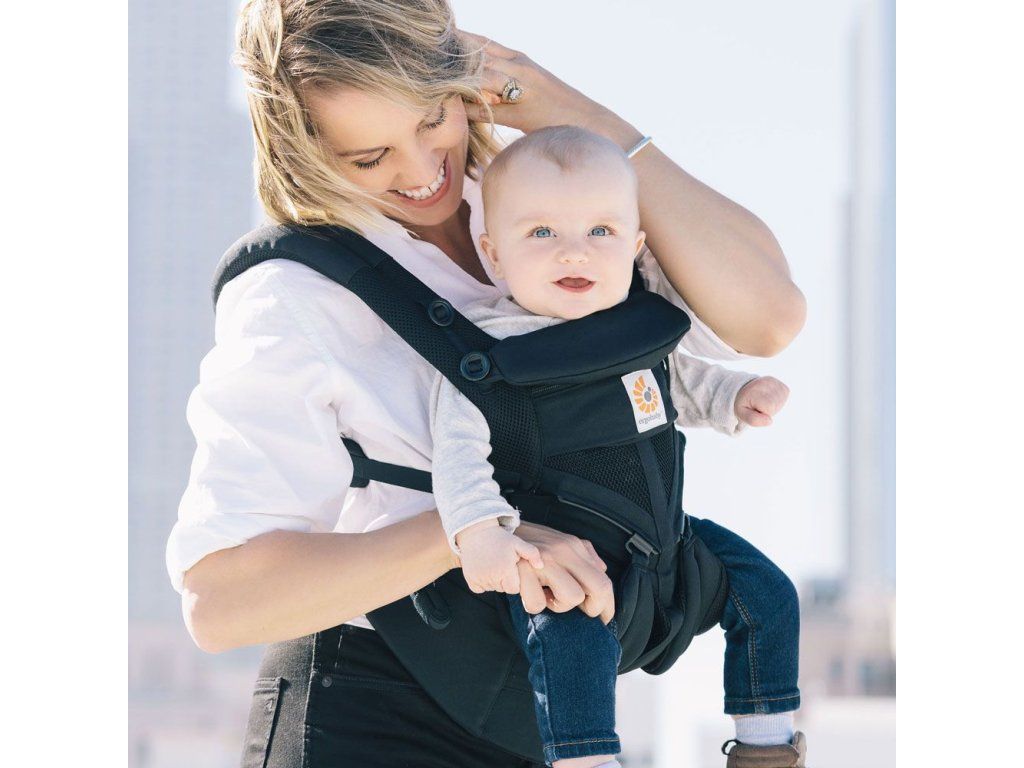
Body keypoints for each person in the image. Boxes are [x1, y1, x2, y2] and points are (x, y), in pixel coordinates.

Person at [166, 2, 807, 767]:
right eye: (369, 157)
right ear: (302, 149)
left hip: (544, 712)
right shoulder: (295, 295)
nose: (419, 171)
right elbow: (219, 601)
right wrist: (469, 532)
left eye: (430, 118)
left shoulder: (554, 206)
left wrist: (571, 113)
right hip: (371, 719)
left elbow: (768, 318)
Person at [432, 126, 804, 768]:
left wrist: (736, 396)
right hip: (570, 564)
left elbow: (678, 382)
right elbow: (456, 454)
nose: (573, 252)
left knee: (767, 593)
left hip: (669, 546)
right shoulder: (489, 354)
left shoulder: (637, 331)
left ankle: (766, 747)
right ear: (494, 254)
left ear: (634, 247)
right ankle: (588, 759)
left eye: (599, 231)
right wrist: (480, 534)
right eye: (541, 232)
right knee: (570, 646)